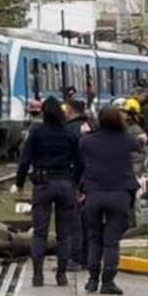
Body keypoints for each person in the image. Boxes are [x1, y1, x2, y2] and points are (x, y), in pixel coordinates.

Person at [12, 97, 83, 287]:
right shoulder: (71, 133)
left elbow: (25, 159)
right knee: (64, 233)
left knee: (40, 233)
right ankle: (61, 275)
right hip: (65, 184)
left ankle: (37, 275)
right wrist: (78, 186)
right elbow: (80, 162)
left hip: (43, 184)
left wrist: (19, 183)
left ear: (43, 112)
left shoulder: (36, 132)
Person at [79, 106, 145, 296]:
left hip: (94, 194)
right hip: (119, 194)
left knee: (94, 237)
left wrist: (88, 132)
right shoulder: (126, 139)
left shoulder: (88, 141)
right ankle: (108, 282)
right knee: (111, 241)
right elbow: (139, 145)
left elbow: (83, 145)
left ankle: (92, 280)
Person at [64, 100, 94, 271]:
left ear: (70, 110)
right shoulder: (89, 126)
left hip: (75, 179)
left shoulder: (70, 130)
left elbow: (75, 159)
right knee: (85, 220)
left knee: (73, 221)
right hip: (90, 179)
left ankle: (74, 257)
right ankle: (85, 257)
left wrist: (76, 184)